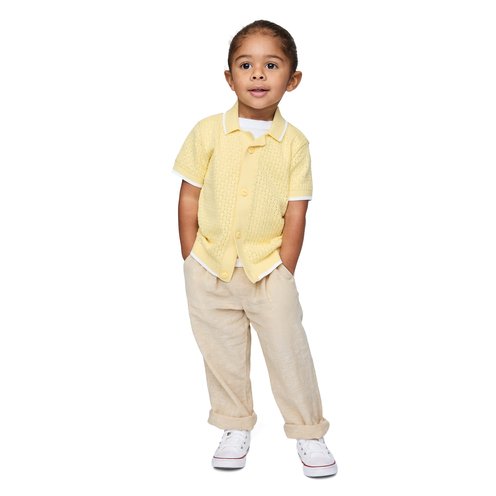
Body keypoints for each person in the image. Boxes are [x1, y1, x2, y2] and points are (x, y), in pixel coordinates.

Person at [173, 19, 337, 478]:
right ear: (230, 78)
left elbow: (297, 210)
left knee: (289, 352)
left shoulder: (294, 143)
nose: (258, 74)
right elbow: (189, 195)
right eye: (246, 65)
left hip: (268, 270)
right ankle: (234, 424)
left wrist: (285, 267)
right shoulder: (207, 132)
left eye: (272, 65)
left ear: (293, 79)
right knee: (221, 353)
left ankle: (308, 431)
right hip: (210, 266)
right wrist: (190, 255)